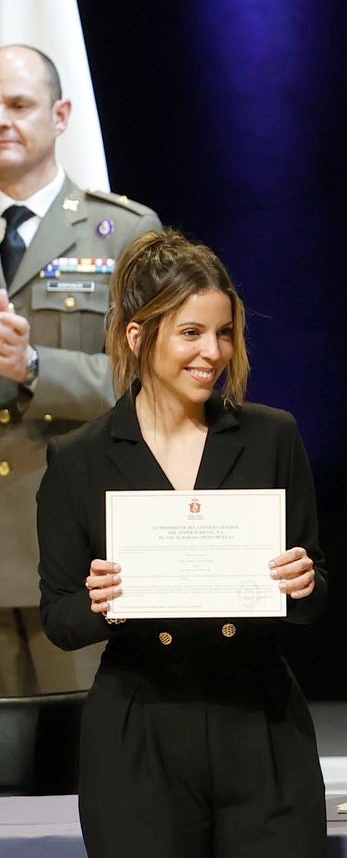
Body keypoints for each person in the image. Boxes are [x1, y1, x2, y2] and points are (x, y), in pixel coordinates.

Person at [36, 230, 326, 857]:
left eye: (223, 334)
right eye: (191, 333)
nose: (213, 352)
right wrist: (99, 601)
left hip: (260, 726)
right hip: (139, 734)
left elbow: (313, 593)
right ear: (139, 337)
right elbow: (58, 617)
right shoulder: (78, 459)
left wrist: (302, 583)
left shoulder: (272, 436)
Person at [1, 44, 162, 695]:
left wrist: (35, 365)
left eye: (18, 105)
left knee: (75, 764)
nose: (3, 121)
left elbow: (155, 385)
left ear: (61, 114)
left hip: (71, 544)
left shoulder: (120, 232)